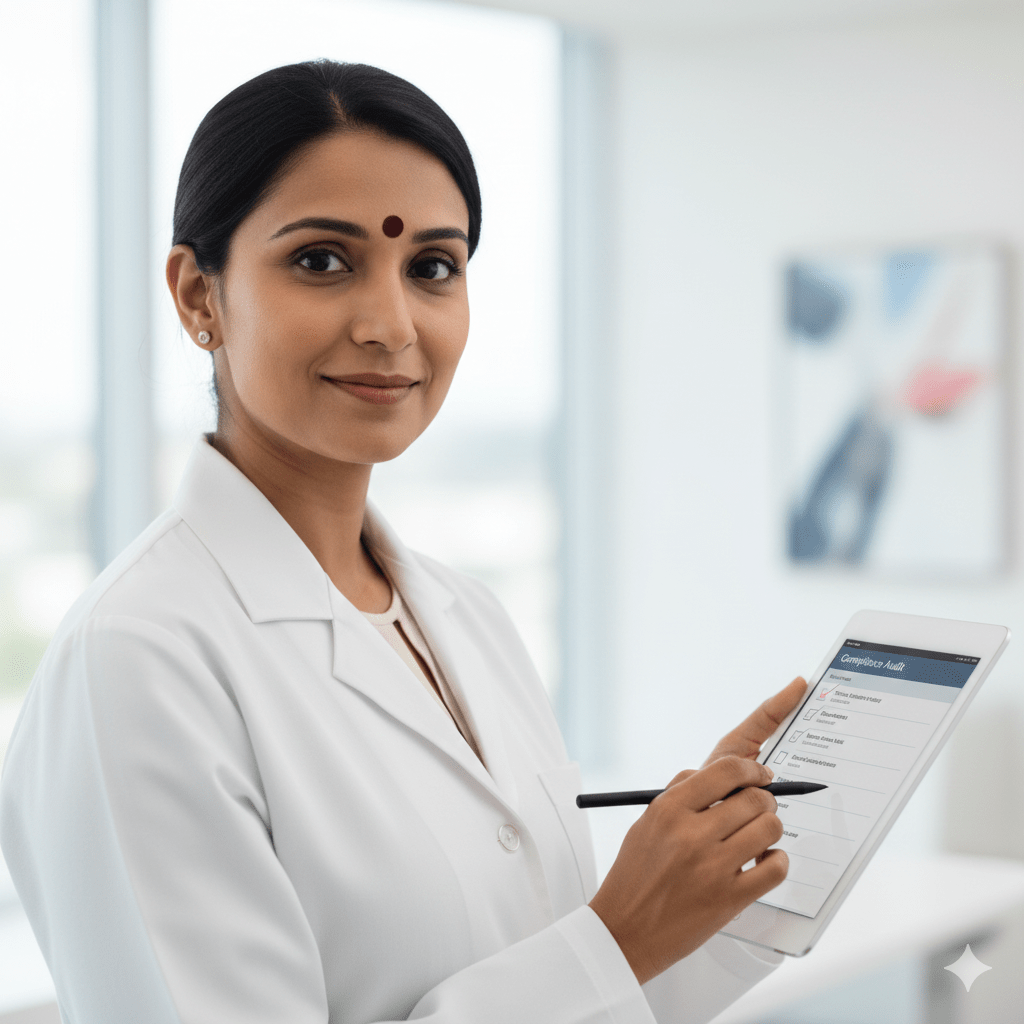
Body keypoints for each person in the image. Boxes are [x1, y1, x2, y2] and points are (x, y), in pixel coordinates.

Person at [0, 60, 805, 1024]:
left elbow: (585, 985)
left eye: (432, 267)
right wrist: (618, 938)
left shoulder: (469, 618)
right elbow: (591, 964)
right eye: (321, 261)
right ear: (197, 296)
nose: (389, 326)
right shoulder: (137, 659)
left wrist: (708, 872)